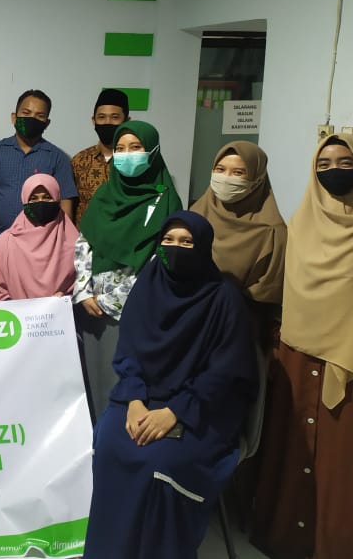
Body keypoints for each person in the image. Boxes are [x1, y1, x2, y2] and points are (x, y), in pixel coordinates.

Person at [84, 211, 257, 559]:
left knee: (159, 460)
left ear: (203, 247)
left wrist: (175, 412)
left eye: (186, 242)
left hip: (202, 407)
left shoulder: (223, 298)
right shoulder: (148, 286)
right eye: (168, 240)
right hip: (143, 396)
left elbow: (223, 373)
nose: (175, 248)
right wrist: (134, 400)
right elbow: (129, 351)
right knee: (111, 442)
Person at [252, 134, 353, 559]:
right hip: (296, 356)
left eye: (345, 162)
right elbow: (283, 292)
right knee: (291, 454)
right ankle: (286, 540)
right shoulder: (300, 223)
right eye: (323, 164)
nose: (333, 170)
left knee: (346, 464)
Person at [73, 120, 182, 421]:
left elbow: (164, 258)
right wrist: (83, 292)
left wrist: (124, 299)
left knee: (129, 387)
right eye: (120, 149)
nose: (127, 154)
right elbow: (84, 244)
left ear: (152, 151)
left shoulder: (167, 200)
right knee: (96, 382)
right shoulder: (104, 196)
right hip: (94, 310)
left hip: (139, 310)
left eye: (135, 147)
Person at [189, 141, 286, 344]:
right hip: (189, 317)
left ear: (257, 179)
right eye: (220, 169)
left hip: (238, 329)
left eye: (238, 172)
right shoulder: (195, 215)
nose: (226, 178)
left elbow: (266, 293)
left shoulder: (271, 231)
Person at [0, 89, 77, 238]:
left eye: (40, 116)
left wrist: (62, 241)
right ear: (14, 117)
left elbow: (65, 204)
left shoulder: (58, 158)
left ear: (47, 123)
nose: (32, 119)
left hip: (42, 242)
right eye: (26, 113)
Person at [0, 174, 78, 301]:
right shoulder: (4, 244)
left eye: (47, 197)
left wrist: (68, 297)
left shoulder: (75, 243)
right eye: (33, 198)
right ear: (24, 201)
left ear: (57, 199)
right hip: (17, 313)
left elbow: (84, 287)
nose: (40, 202)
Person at [71, 89, 130, 223]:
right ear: (94, 120)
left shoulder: (134, 160)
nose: (107, 122)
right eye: (101, 117)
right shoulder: (79, 160)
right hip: (85, 234)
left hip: (124, 233)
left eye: (115, 117)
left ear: (127, 120)